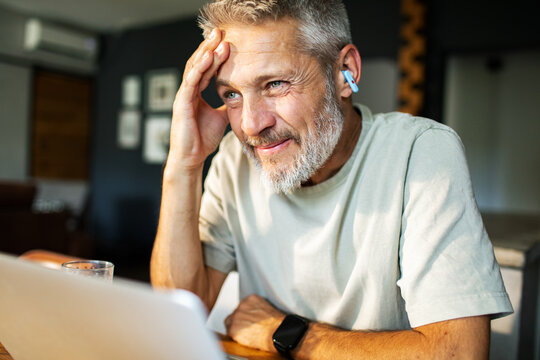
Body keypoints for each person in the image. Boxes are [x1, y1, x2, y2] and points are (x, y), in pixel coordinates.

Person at [150, 0, 513, 358]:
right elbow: (176, 309)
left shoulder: (419, 151)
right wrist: (184, 164)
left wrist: (290, 334)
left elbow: (460, 352)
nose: (250, 125)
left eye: (275, 84)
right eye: (232, 94)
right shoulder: (233, 159)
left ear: (345, 72)